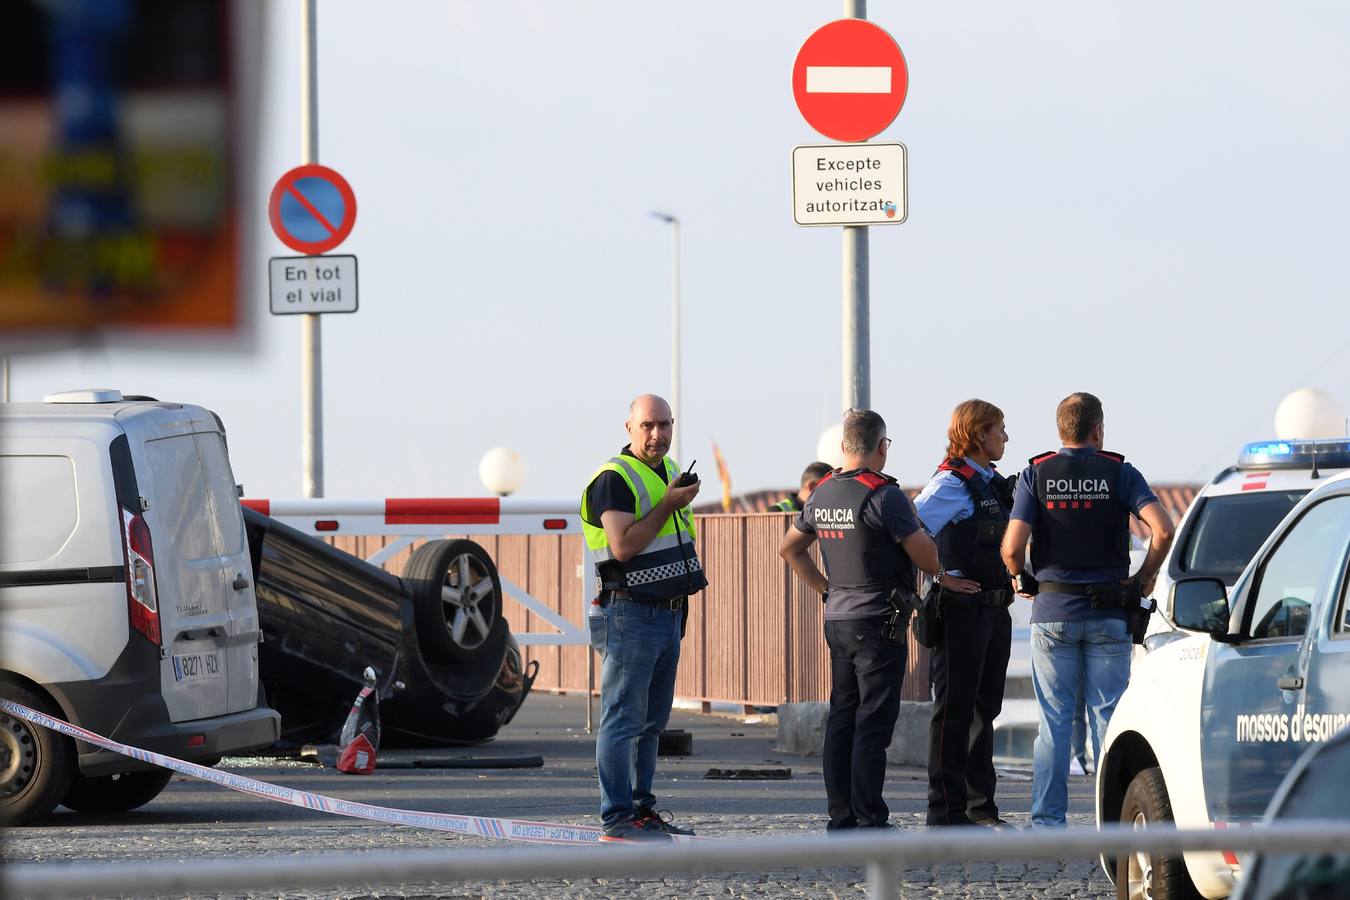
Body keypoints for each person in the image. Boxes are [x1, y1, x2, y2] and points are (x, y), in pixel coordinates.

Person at [1000, 392, 1174, 828]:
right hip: (1109, 614)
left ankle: (1047, 824)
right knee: (1110, 720)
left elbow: (1011, 547)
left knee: (1054, 722)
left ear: (1061, 430)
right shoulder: (1120, 472)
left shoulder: (1035, 474)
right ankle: (1114, 823)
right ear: (1098, 430)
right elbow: (1164, 530)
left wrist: (1021, 578)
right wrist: (1143, 578)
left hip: (1053, 610)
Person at [779, 408, 957, 831]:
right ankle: (870, 818)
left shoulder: (821, 492)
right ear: (882, 447)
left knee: (842, 716)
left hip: (837, 619)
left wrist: (825, 588)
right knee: (874, 722)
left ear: (843, 447)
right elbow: (927, 558)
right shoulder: (883, 495)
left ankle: (840, 817)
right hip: (878, 621)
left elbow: (789, 549)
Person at [580, 393, 708, 843]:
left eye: (665, 425)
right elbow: (623, 547)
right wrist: (669, 505)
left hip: (668, 612)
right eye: (648, 426)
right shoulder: (614, 478)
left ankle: (641, 810)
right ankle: (616, 818)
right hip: (630, 611)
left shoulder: (669, 473)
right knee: (622, 719)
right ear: (629, 428)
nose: (657, 435)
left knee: (653, 722)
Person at [912, 399, 1015, 828]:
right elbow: (908, 528)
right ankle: (945, 811)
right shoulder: (951, 484)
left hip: (994, 609)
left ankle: (979, 807)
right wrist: (940, 577)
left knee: (984, 710)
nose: (1006, 437)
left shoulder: (990, 482)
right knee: (953, 710)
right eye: (999, 429)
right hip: (960, 612)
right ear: (978, 435)